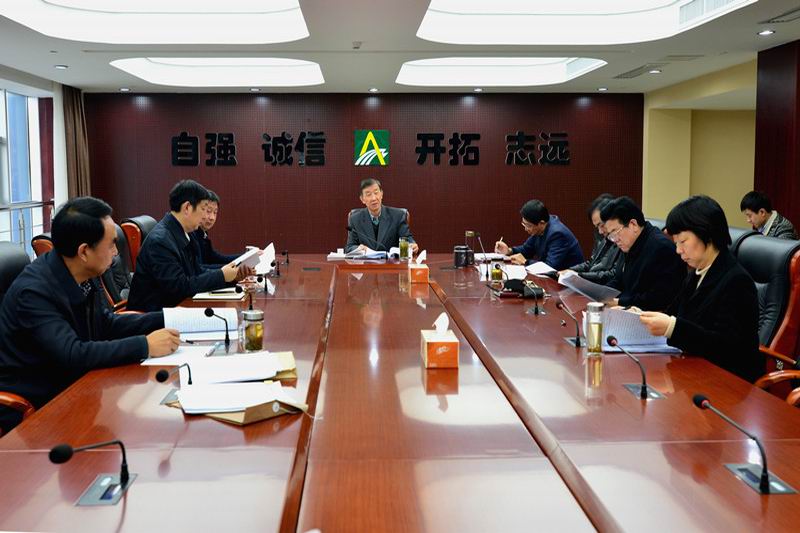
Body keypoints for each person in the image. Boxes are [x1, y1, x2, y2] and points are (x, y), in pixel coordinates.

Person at [0, 197, 178, 435]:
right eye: (111, 244)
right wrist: (145, 345)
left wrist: (170, 318)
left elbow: (105, 323)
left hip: (77, 387)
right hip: (40, 409)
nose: (116, 252)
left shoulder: (80, 273)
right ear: (84, 251)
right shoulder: (33, 292)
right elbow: (72, 354)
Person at [640, 196, 761, 382]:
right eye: (676, 243)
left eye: (683, 242)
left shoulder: (737, 281)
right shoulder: (696, 273)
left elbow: (726, 348)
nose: (678, 250)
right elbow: (674, 313)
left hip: (726, 383)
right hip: (693, 370)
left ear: (707, 234)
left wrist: (673, 328)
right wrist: (640, 315)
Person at [127, 180, 251, 312]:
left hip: (177, 307)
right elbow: (179, 287)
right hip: (152, 315)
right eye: (203, 209)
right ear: (187, 208)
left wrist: (231, 277)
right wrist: (221, 275)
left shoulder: (185, 233)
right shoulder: (160, 241)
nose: (204, 215)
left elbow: (197, 271)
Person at [601, 196, 685, 310]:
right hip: (627, 311)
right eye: (610, 235)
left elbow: (659, 299)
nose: (614, 240)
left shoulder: (662, 248)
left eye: (615, 232)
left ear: (633, 224)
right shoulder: (628, 243)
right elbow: (619, 279)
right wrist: (602, 294)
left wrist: (619, 302)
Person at [494, 199, 584, 269]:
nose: (526, 229)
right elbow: (527, 249)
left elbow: (550, 267)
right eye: (524, 224)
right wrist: (509, 251)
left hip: (568, 282)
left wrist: (525, 262)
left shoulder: (557, 234)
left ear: (541, 223)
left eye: (528, 225)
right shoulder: (541, 227)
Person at [560, 193, 622, 284]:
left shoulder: (623, 240)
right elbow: (591, 263)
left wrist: (579, 276)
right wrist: (570, 271)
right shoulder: (601, 236)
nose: (600, 231)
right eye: (597, 227)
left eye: (602, 225)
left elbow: (613, 275)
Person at [345, 178, 418, 254]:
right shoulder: (355, 219)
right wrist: (358, 248)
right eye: (368, 194)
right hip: (366, 261)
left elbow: (407, 238)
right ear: (362, 199)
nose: (373, 198)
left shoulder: (398, 216)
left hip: (391, 261)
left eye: (376, 193)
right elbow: (349, 247)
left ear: (381, 194)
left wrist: (412, 245)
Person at [191, 189, 239, 268]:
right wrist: (228, 270)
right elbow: (198, 269)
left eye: (215, 212)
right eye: (208, 211)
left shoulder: (202, 233)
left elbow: (215, 258)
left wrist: (246, 256)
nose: (212, 218)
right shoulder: (192, 233)